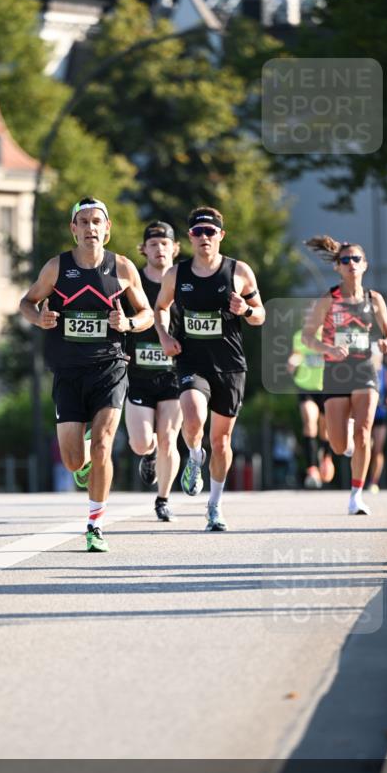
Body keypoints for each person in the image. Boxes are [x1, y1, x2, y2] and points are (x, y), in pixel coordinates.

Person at [19, 196, 153, 552]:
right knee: (73, 460)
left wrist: (129, 322)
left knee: (106, 444)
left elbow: (148, 314)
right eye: (84, 222)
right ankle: (86, 457)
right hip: (67, 371)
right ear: (73, 229)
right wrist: (40, 318)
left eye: (97, 222)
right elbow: (27, 302)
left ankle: (95, 525)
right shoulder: (57, 268)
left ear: (107, 229)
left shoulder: (123, 268)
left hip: (111, 367)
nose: (91, 228)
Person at [154, 206, 265, 531]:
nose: (204, 237)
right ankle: (193, 454)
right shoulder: (177, 274)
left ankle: (214, 506)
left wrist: (245, 309)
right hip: (192, 361)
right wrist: (163, 335)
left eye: (210, 231)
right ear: (189, 237)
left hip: (230, 366)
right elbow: (160, 307)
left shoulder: (239, 271)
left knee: (222, 441)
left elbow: (261, 315)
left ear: (220, 236)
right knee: (191, 417)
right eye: (198, 232)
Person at [302, 236, 387, 516]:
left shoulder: (373, 299)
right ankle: (346, 444)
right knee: (338, 443)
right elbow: (308, 337)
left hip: (365, 369)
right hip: (336, 371)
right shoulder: (328, 299)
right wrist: (328, 347)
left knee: (364, 432)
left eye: (356, 259)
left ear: (365, 265)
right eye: (346, 260)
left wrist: (386, 343)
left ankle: (356, 495)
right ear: (338, 268)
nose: (351, 264)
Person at [124, 221, 182, 521]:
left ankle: (163, 499)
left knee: (168, 437)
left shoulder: (184, 282)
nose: (160, 248)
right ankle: (147, 456)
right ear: (144, 249)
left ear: (175, 248)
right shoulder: (134, 284)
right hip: (138, 375)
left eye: (165, 243)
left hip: (174, 375)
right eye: (153, 243)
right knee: (142, 441)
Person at [287, 309, 335, 489]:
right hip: (305, 386)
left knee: (326, 430)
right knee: (309, 422)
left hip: (325, 388)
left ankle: (326, 458)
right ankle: (312, 468)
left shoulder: (328, 336)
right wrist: (293, 361)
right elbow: (296, 354)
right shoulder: (299, 336)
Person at [366, 350, 387, 494]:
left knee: (378, 449)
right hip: (365, 414)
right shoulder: (363, 372)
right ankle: (361, 478)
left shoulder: (385, 372)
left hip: (380, 413)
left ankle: (374, 481)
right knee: (364, 445)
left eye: (377, 355)